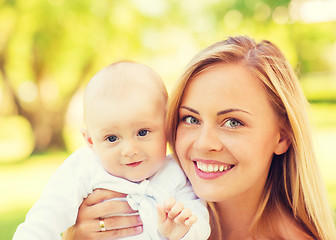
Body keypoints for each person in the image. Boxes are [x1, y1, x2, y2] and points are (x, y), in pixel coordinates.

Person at [63, 36, 336, 239]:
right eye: (191, 119)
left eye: (232, 122)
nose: (204, 143)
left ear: (282, 137)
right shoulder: (126, 200)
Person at [13, 61, 210, 240]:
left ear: (167, 127)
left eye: (142, 132)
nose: (130, 150)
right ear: (91, 141)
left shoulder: (176, 172)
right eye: (112, 138)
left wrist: (184, 230)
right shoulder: (84, 168)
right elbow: (45, 218)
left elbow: (199, 218)